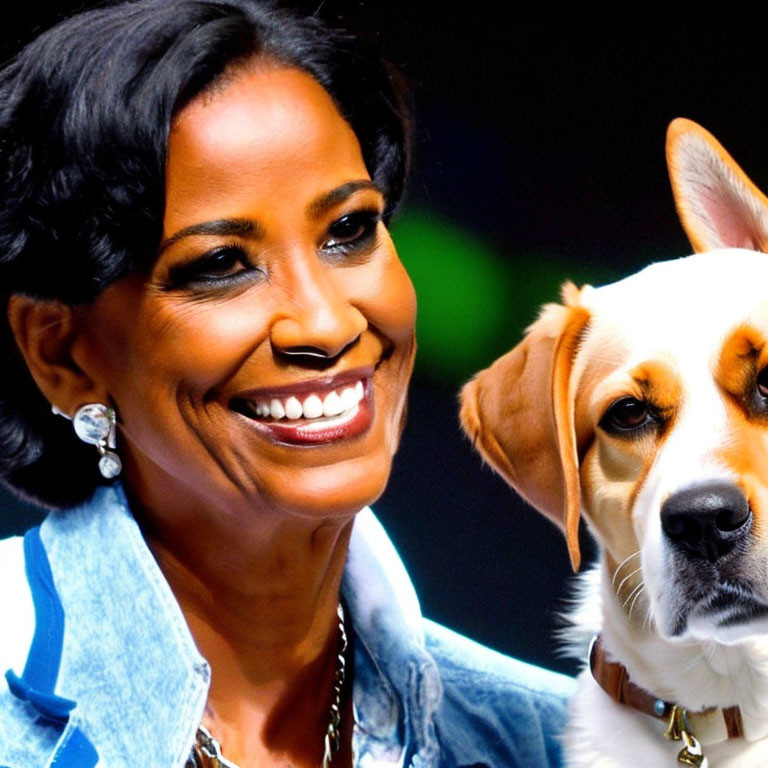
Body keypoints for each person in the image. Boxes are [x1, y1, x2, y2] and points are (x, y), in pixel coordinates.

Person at [0, 1, 575, 766]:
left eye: (349, 231)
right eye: (220, 265)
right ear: (62, 356)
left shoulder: (552, 742)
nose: (326, 323)